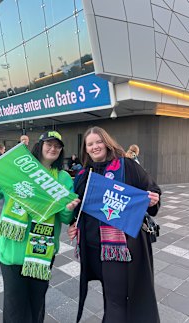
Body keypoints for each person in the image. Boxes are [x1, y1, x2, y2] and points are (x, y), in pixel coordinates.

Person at [0, 130, 80, 323]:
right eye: (49, 144)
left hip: (42, 249)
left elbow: (63, 215)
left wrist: (69, 209)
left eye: (57, 146)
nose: (53, 149)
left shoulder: (63, 178)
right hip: (13, 248)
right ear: (40, 146)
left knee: (37, 301)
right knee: (14, 304)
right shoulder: (18, 169)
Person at [67, 127, 161, 323]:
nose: (95, 147)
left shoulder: (127, 166)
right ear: (86, 148)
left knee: (115, 298)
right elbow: (79, 207)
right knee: (109, 295)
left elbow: (151, 188)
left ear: (107, 143)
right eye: (90, 144)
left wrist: (153, 199)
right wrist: (73, 223)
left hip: (118, 249)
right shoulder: (83, 174)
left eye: (98, 142)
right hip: (92, 248)